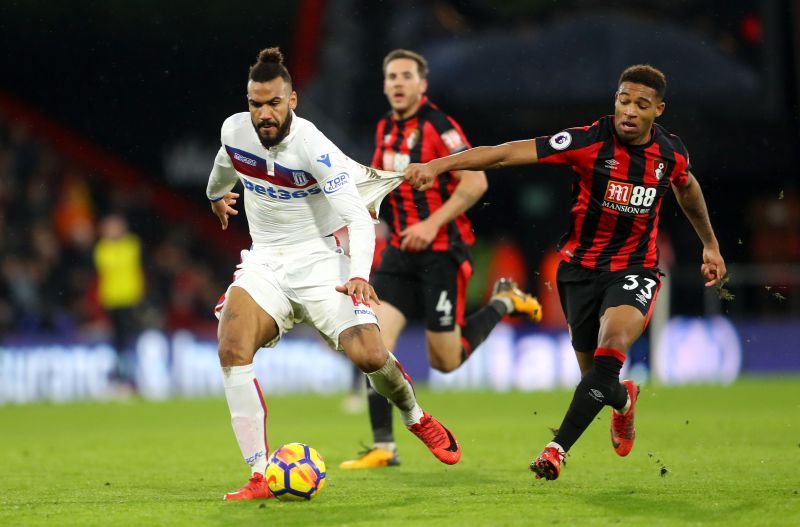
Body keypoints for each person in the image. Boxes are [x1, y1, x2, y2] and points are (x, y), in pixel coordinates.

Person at [405, 64, 726, 480]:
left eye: (641, 105)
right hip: (578, 272)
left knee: (612, 349)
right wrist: (439, 165)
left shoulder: (671, 153)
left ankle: (556, 450)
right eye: (623, 100)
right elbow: (505, 153)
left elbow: (688, 187)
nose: (629, 111)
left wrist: (711, 244)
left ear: (658, 110)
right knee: (596, 379)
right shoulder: (588, 141)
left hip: (635, 269)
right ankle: (624, 401)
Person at [207, 47, 461, 501]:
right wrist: (215, 196)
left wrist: (359, 274)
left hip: (323, 261)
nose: (264, 114)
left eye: (274, 104)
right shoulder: (234, 130)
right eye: (255, 103)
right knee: (230, 345)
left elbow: (359, 218)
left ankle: (415, 415)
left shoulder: (313, 146)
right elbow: (223, 167)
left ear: (293, 101)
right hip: (265, 261)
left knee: (368, 355)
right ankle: (260, 473)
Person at [341, 49, 542, 470]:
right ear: (384, 84)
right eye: (391, 76)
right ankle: (384, 446)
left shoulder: (439, 127)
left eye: (406, 76)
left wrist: (432, 224)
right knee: (372, 341)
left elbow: (476, 181)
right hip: (398, 252)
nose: (397, 83)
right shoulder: (384, 129)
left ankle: (504, 301)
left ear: (422, 84)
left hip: (440, 255)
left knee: (444, 361)